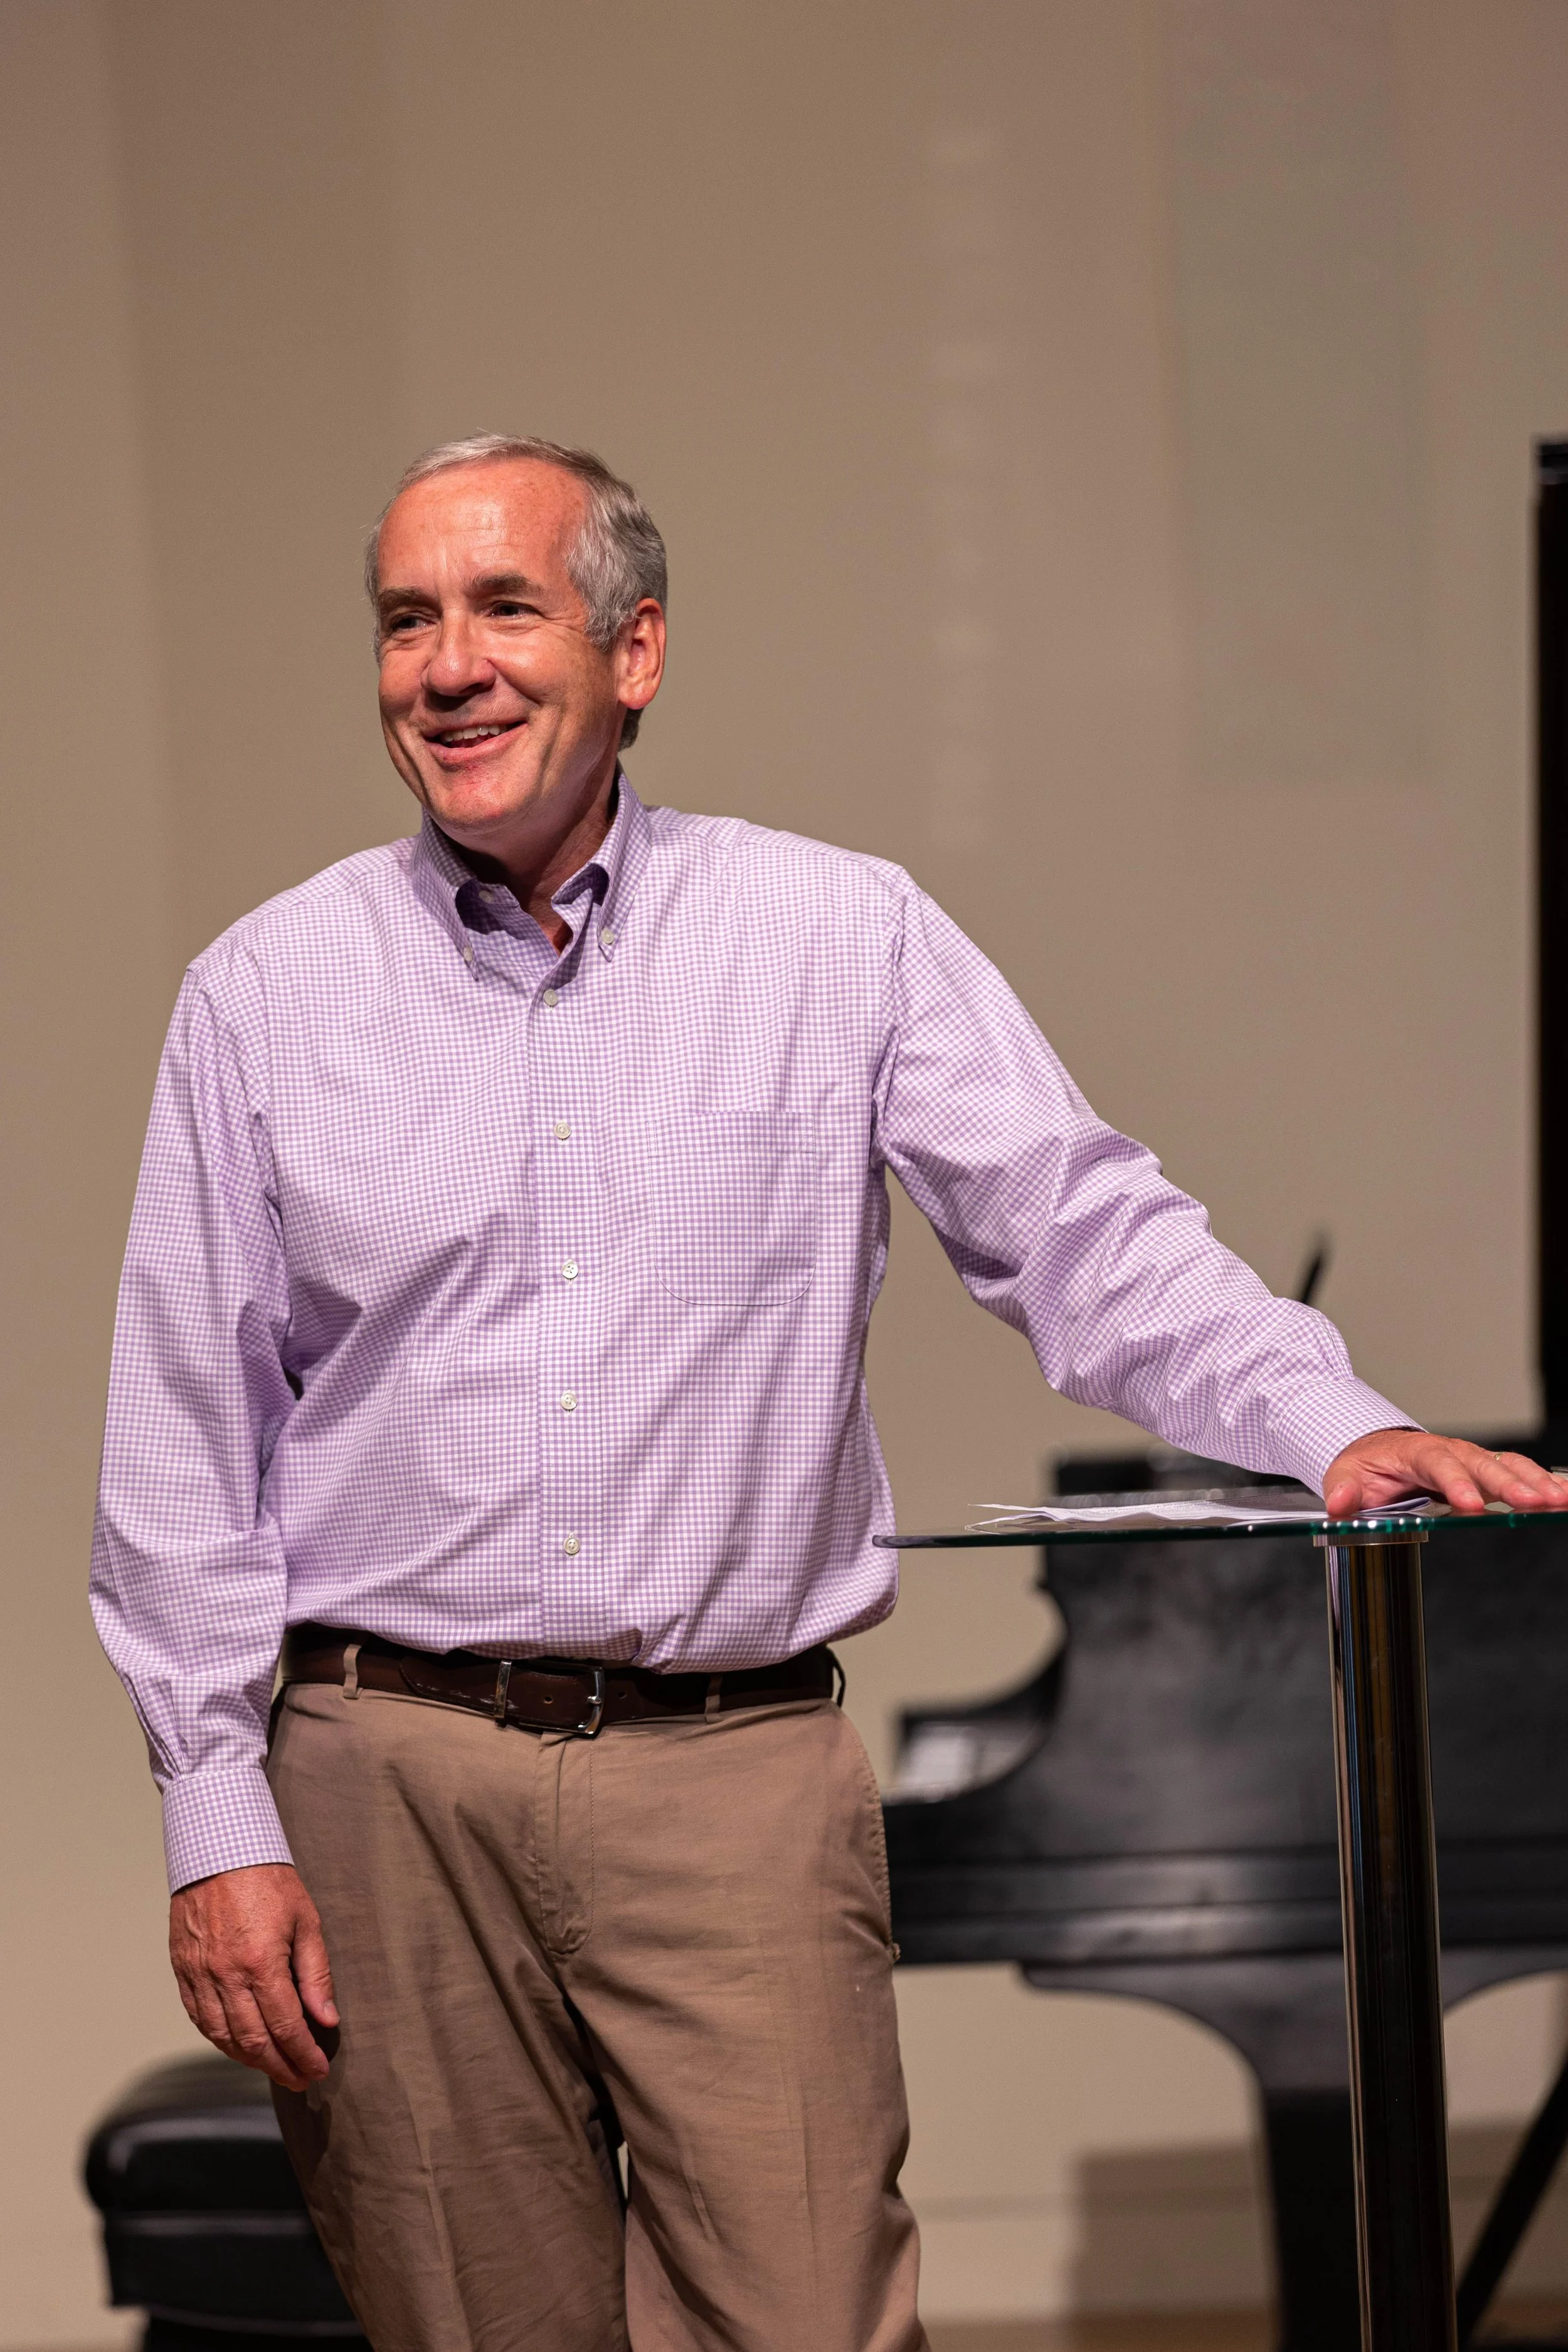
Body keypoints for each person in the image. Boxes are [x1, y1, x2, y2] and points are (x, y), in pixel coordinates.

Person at [91, 433, 1568, 2352]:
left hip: (734, 1776)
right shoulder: (260, 996)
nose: (446, 663)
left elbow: (1077, 1230)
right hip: (384, 1781)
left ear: (633, 653)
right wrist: (221, 1820)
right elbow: (186, 1446)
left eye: (504, 607)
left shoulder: (835, 935)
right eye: (406, 619)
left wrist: (1320, 1416)